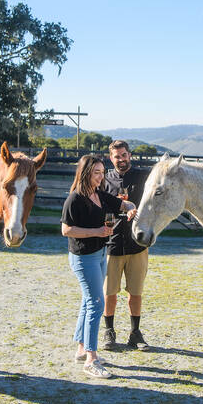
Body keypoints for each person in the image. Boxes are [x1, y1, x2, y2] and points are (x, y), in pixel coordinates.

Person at [61, 154, 136, 379]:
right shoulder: (74, 199)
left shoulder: (100, 195)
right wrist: (96, 232)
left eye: (103, 172)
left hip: (100, 254)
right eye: (96, 172)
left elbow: (125, 203)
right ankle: (92, 359)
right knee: (96, 302)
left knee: (88, 301)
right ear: (85, 173)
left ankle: (82, 348)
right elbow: (66, 230)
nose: (101, 176)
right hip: (83, 258)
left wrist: (131, 208)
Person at [100, 140, 151, 352]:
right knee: (109, 292)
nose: (121, 159)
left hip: (137, 244)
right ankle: (109, 331)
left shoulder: (143, 176)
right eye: (116, 157)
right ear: (111, 159)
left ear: (130, 155)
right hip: (111, 244)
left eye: (124, 155)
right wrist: (111, 219)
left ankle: (135, 333)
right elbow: (101, 208)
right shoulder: (104, 179)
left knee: (135, 292)